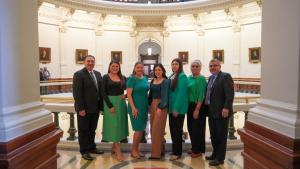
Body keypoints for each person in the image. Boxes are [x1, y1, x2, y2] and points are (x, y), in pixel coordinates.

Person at [72, 55, 104, 161]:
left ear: (94, 63)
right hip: (84, 109)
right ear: (84, 63)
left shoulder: (98, 74)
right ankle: (84, 151)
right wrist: (81, 108)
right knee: (83, 130)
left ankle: (92, 147)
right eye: (88, 61)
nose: (90, 63)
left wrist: (101, 107)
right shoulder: (78, 74)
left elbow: (100, 92)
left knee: (92, 130)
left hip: (95, 108)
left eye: (92, 61)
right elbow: (77, 93)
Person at [204, 59, 234, 166]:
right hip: (211, 112)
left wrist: (226, 108)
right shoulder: (211, 78)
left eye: (215, 65)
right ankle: (214, 154)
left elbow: (230, 94)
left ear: (220, 66)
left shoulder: (225, 76)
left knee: (221, 135)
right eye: (210, 66)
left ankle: (220, 158)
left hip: (222, 112)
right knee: (214, 135)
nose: (212, 67)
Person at [102, 61, 128, 162]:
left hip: (121, 103)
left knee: (120, 125)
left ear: (119, 67)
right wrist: (110, 105)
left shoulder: (123, 77)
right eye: (113, 66)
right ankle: (118, 151)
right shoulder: (105, 77)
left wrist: (125, 96)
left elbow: (130, 89)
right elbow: (103, 92)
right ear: (109, 67)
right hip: (110, 103)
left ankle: (114, 147)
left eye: (117, 66)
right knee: (114, 125)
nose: (115, 68)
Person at [126, 62, 149, 159]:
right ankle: (133, 151)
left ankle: (136, 150)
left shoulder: (145, 78)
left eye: (141, 68)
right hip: (135, 107)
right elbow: (129, 95)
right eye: (138, 67)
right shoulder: (131, 79)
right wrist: (134, 108)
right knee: (138, 130)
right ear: (135, 68)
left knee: (141, 129)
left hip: (144, 107)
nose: (140, 69)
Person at [168, 58, 189, 161]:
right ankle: (174, 150)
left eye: (176, 64)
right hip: (171, 108)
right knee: (172, 130)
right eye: (173, 64)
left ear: (180, 65)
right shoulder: (172, 76)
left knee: (177, 131)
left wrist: (176, 108)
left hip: (178, 109)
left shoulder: (183, 77)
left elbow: (181, 94)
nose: (174, 66)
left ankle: (177, 153)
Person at [148, 64, 169, 159]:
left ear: (163, 71)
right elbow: (150, 95)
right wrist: (149, 106)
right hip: (153, 104)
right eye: (155, 70)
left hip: (161, 106)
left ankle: (155, 154)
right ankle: (161, 150)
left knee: (157, 130)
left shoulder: (165, 81)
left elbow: (165, 96)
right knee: (153, 128)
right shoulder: (153, 80)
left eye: (159, 70)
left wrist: (160, 108)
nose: (157, 71)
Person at [187, 60, 207, 158]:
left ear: (200, 68)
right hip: (190, 106)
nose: (194, 68)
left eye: (196, 66)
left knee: (197, 129)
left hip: (198, 106)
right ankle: (194, 146)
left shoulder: (202, 79)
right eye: (193, 66)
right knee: (190, 128)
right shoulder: (189, 78)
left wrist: (197, 109)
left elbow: (201, 95)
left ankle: (198, 150)